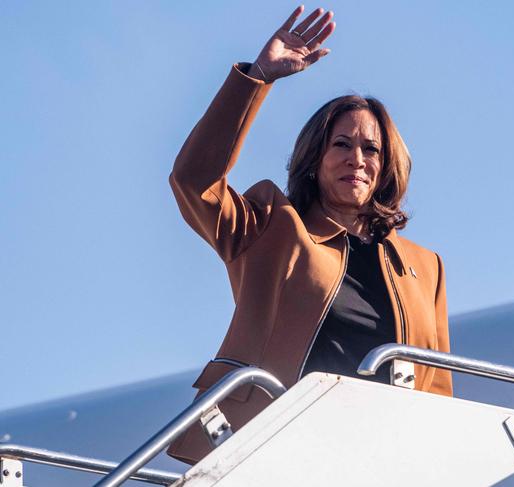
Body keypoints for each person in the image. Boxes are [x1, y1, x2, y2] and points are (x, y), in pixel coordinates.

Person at [167, 5, 452, 465]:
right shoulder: (270, 226)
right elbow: (193, 179)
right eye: (341, 144)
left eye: (370, 148)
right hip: (273, 450)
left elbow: (437, 394)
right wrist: (257, 77)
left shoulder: (425, 268)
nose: (356, 158)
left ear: (386, 167)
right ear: (314, 158)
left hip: (383, 459)